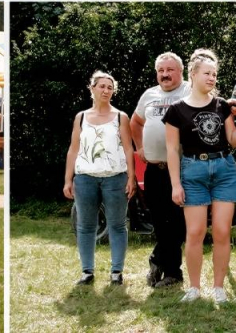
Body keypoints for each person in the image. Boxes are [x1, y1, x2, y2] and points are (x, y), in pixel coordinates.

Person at [163, 49, 236, 304]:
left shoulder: (222, 106)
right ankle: (193, 288)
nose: (212, 78)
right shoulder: (176, 111)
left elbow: (233, 140)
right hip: (192, 172)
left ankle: (219, 288)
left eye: (215, 74)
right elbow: (172, 150)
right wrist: (175, 184)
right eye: (207, 73)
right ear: (193, 74)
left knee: (223, 232)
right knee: (195, 232)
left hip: (224, 169)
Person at [64, 71, 136, 286]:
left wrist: (131, 178)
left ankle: (116, 272)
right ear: (92, 88)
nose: (106, 90)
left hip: (115, 178)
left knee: (117, 225)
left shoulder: (121, 117)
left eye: (110, 87)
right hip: (85, 178)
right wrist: (68, 179)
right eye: (102, 86)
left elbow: (129, 149)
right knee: (85, 226)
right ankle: (87, 271)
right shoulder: (81, 117)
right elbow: (73, 149)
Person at [131, 51, 193, 287]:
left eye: (170, 70)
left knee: (178, 222)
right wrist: (139, 147)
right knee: (159, 220)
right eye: (161, 71)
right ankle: (169, 270)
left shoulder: (189, 90)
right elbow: (135, 122)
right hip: (154, 168)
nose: (165, 75)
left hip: (182, 168)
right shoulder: (149, 94)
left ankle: (164, 265)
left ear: (181, 71)